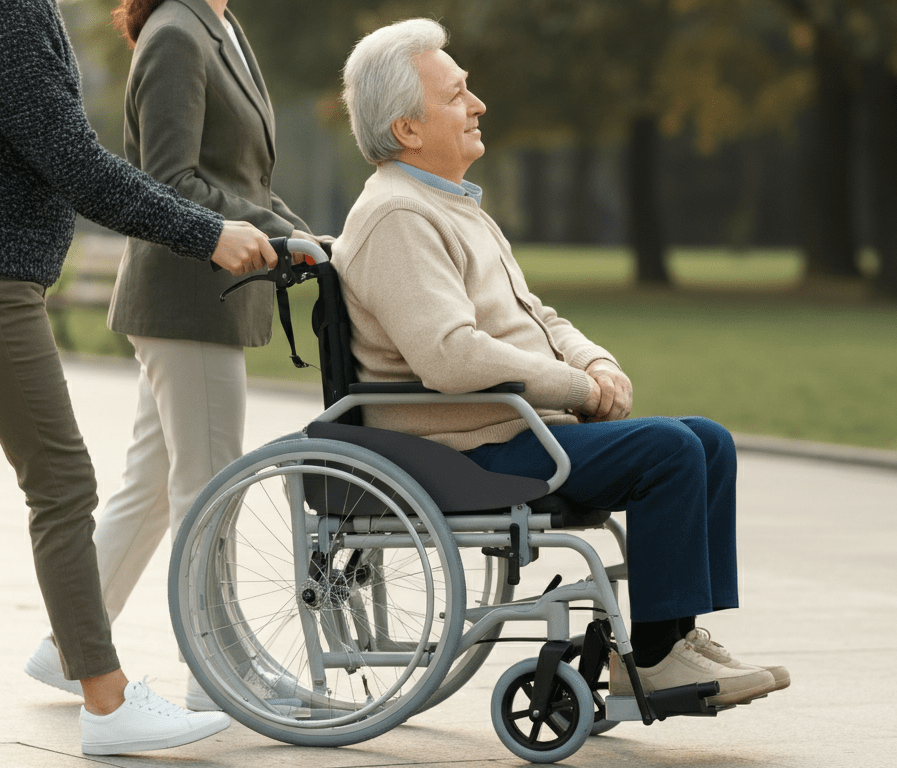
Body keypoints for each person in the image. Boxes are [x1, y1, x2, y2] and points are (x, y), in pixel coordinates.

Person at [332, 18, 790, 707]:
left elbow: (535, 315)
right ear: (407, 130)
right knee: (670, 450)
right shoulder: (397, 216)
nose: (477, 104)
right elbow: (450, 356)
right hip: (468, 449)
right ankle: (659, 661)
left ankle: (676, 643)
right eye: (457, 94)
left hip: (518, 429)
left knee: (707, 440)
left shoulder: (452, 206)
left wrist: (597, 363)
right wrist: (576, 386)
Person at [23, 0, 327, 713]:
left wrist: (301, 235)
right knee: (209, 487)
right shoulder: (175, 36)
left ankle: (66, 650)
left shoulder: (218, 26)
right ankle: (218, 671)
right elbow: (168, 181)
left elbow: (242, 179)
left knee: (152, 488)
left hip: (205, 297)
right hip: (187, 296)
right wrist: (280, 239)